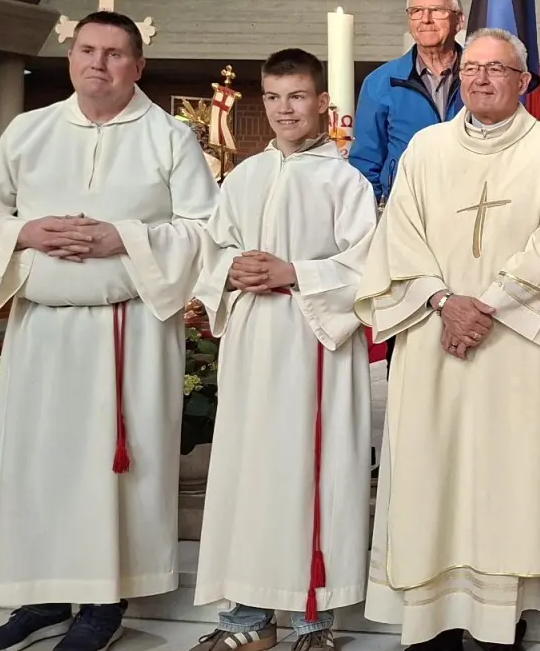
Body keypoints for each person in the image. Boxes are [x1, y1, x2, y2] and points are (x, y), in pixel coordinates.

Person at [0, 11, 217, 651]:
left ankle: (102, 602)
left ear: (137, 65)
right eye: (88, 51)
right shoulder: (29, 130)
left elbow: (206, 230)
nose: (99, 64)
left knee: (109, 470)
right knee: (43, 463)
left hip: (126, 337)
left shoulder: (170, 137)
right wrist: (24, 231)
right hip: (42, 332)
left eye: (115, 53)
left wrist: (119, 237)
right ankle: (41, 596)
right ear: (70, 59)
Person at [354, 28, 540, 651]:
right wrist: (444, 302)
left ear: (524, 80)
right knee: (432, 468)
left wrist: (489, 306)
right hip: (433, 337)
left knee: (506, 476)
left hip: (513, 344)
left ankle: (500, 618)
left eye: (497, 69)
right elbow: (398, 235)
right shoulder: (426, 149)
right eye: (473, 68)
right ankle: (429, 620)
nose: (481, 79)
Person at [190, 49, 377, 651]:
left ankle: (313, 622)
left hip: (311, 345)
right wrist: (229, 271)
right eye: (272, 97)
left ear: (322, 102)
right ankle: (246, 618)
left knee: (311, 472)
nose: (283, 109)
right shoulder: (244, 177)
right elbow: (210, 250)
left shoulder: (344, 180)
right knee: (250, 476)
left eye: (296, 96)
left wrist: (294, 272)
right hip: (251, 347)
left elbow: (369, 266)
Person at [349, 0, 468, 207]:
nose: (425, 19)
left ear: (459, 20)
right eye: (416, 11)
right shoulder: (380, 82)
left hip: (469, 205)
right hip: (405, 210)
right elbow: (365, 162)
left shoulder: (479, 78)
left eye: (437, 10)